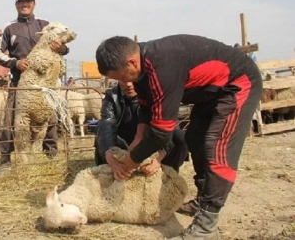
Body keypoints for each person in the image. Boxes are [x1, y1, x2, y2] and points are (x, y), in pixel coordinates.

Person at [95, 35, 262, 240]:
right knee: (195, 138)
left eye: (123, 76)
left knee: (218, 146)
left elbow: (161, 133)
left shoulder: (162, 66)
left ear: (131, 62)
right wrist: (138, 138)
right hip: (210, 93)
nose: (124, 82)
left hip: (237, 83)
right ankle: (202, 199)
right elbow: (146, 108)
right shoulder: (142, 72)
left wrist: (131, 161)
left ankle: (205, 226)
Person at [0, 0, 69, 176]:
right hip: (21, 82)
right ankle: (5, 160)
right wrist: (15, 63)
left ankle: (50, 157)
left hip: (46, 84)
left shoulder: (45, 25)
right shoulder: (9, 28)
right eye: (21, 2)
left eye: (28, 1)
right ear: (16, 5)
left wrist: (63, 48)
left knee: (50, 119)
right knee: (11, 118)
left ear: (34, 4)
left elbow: (65, 45)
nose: (24, 4)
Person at [94, 81, 189, 178]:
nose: (128, 84)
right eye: (124, 80)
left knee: (180, 137)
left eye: (132, 80)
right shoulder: (112, 96)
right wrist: (110, 156)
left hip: (154, 144)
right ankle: (111, 175)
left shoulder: (157, 94)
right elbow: (106, 124)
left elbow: (170, 127)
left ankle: (168, 175)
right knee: (101, 135)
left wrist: (159, 156)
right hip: (125, 146)